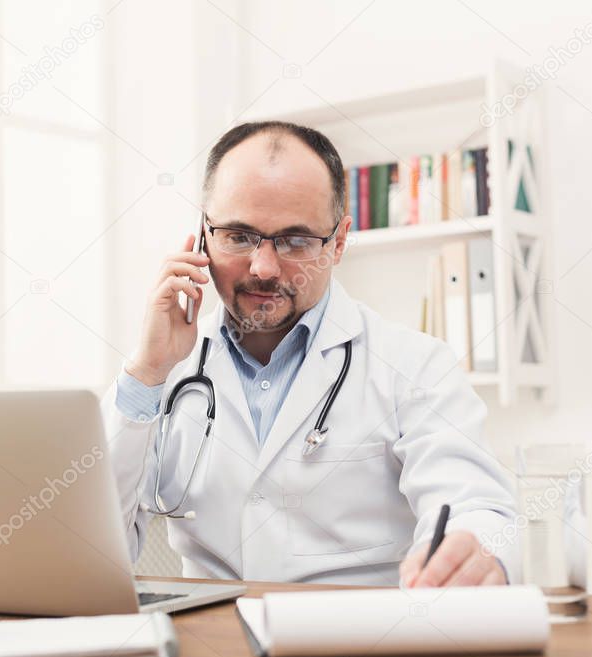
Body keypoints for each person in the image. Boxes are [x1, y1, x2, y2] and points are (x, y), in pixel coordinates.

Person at [100, 121, 519, 588]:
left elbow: (474, 506)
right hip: (209, 644)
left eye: (295, 241)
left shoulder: (414, 365)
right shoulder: (166, 369)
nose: (263, 268)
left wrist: (474, 549)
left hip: (357, 642)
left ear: (338, 242)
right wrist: (147, 372)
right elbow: (95, 553)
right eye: (238, 236)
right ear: (203, 234)